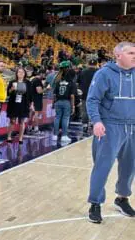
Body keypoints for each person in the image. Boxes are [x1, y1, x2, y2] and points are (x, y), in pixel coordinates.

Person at [86, 41, 135, 224]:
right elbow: (92, 100)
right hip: (110, 126)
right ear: (118, 55)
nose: (134, 56)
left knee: (130, 167)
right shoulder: (104, 74)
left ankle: (122, 199)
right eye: (131, 53)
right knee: (103, 167)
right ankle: (95, 203)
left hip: (133, 126)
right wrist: (97, 121)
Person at [51, 62, 77, 144]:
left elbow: (54, 94)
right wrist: (73, 106)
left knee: (57, 117)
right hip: (66, 102)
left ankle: (55, 135)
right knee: (65, 118)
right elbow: (72, 96)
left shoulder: (58, 82)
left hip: (58, 101)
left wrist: (53, 103)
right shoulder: (71, 83)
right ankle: (64, 136)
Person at [6, 67, 33, 144]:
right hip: (13, 104)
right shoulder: (12, 82)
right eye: (19, 72)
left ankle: (20, 138)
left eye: (22, 72)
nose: (20, 74)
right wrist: (11, 89)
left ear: (25, 74)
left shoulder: (28, 83)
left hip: (24, 104)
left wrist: (32, 104)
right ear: (16, 73)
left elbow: (31, 95)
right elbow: (8, 93)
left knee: (22, 121)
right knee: (12, 121)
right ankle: (9, 136)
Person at [78, 58, 99, 127]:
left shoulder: (83, 72)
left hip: (84, 94)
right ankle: (93, 122)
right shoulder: (99, 72)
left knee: (84, 109)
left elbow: (78, 82)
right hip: (96, 94)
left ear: (88, 64)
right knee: (95, 109)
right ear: (96, 65)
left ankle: (85, 124)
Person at [29, 69, 45, 133]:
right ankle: (36, 129)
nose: (44, 76)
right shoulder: (38, 80)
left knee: (31, 114)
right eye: (44, 74)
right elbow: (39, 91)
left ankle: (29, 127)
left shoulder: (32, 79)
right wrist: (47, 89)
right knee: (36, 114)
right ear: (41, 73)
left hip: (32, 99)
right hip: (36, 99)